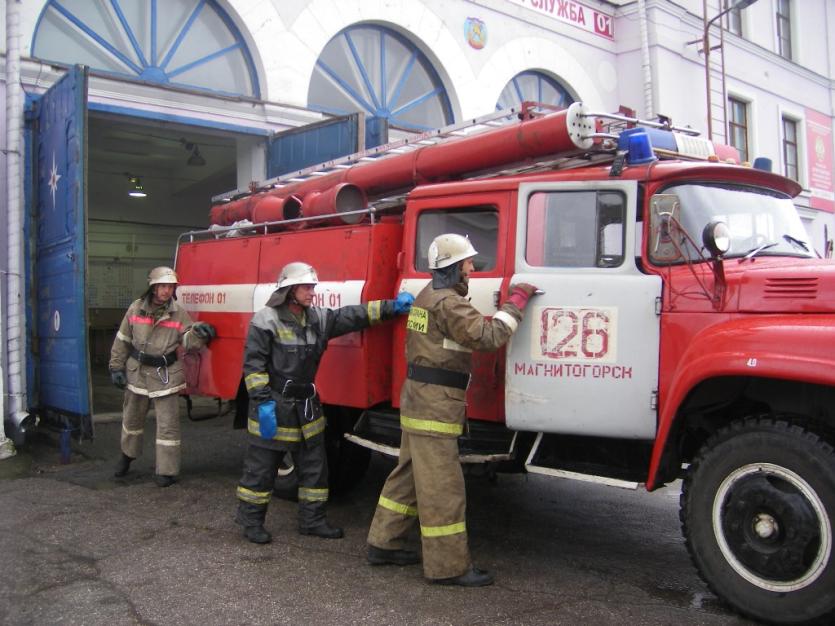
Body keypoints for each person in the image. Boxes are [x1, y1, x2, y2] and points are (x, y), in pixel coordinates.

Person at [366, 233, 539, 587]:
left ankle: (382, 543)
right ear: (453, 267)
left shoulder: (427, 297)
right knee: (443, 486)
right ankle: (449, 567)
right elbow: (489, 337)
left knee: (407, 475)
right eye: (467, 263)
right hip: (436, 406)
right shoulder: (448, 304)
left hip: (419, 398)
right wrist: (516, 302)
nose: (472, 268)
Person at [235, 261, 414, 544]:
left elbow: (353, 316)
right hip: (276, 406)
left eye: (313, 287)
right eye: (306, 287)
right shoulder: (265, 320)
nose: (312, 293)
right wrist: (262, 402)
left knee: (315, 469)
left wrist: (393, 307)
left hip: (307, 407)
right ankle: (251, 522)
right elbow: (254, 367)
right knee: (262, 469)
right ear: (290, 290)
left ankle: (312, 521)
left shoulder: (318, 318)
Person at [109, 266, 216, 487]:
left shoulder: (179, 313)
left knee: (168, 426)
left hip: (166, 375)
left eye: (170, 287)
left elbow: (187, 342)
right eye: (163, 286)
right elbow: (122, 339)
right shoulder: (135, 309)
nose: (167, 291)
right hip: (137, 372)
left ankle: (166, 471)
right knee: (131, 421)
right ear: (153, 287)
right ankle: (126, 457)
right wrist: (116, 368)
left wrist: (199, 334)